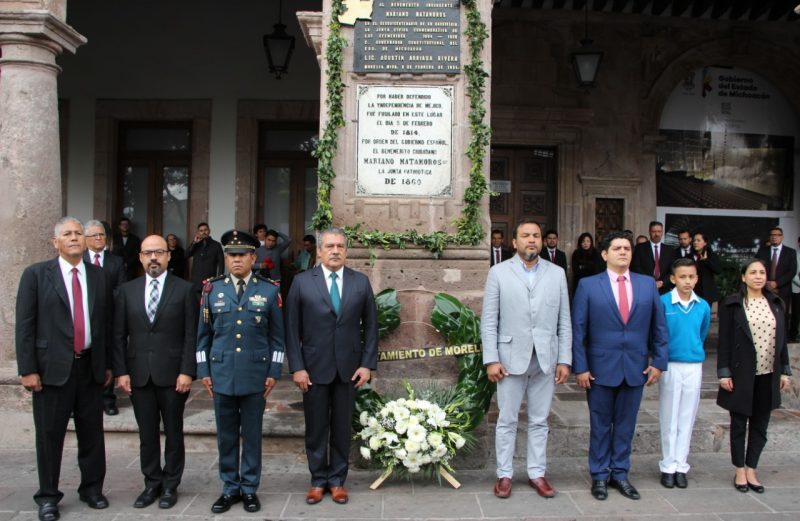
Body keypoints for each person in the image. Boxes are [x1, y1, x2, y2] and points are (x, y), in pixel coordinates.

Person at [16, 217, 112, 521]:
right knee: (49, 435)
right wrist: (28, 369)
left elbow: (106, 325)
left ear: (86, 240)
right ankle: (47, 497)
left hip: (90, 367)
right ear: (55, 242)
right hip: (51, 371)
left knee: (92, 434)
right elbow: (25, 326)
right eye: (67, 234)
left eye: (78, 233)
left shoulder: (100, 276)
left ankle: (92, 489)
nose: (74, 238)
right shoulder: (35, 275)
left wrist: (108, 363)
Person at [571, 231, 669, 501]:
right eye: (617, 248)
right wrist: (580, 367)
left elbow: (659, 327)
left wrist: (658, 362)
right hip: (600, 368)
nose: (623, 252)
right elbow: (578, 330)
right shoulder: (589, 285)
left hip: (636, 367)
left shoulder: (647, 284)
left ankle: (621, 474)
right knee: (600, 424)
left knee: (626, 425)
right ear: (605, 254)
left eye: (627, 248)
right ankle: (600, 476)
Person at [285, 227, 378, 506]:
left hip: (349, 369)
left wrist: (367, 364)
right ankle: (317, 480)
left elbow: (371, 327)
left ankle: (337, 480)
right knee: (315, 428)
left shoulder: (360, 282)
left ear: (346, 251)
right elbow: (291, 328)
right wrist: (297, 367)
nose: (335, 251)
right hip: (313, 368)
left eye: (340, 246)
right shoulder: (302, 282)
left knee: (341, 427)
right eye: (330, 246)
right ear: (320, 251)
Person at [481, 219, 571, 499]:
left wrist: (564, 359)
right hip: (509, 360)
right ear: (514, 242)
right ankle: (505, 474)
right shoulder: (498, 273)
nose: (531, 240)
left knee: (539, 420)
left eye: (536, 236)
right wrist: (491, 359)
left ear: (542, 241)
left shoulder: (556, 274)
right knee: (507, 420)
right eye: (525, 236)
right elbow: (489, 321)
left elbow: (564, 321)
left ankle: (536, 473)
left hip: (545, 359)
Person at [196, 230, 284, 514]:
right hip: (221, 374)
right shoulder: (212, 289)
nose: (236, 260)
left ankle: (249, 489)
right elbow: (203, 336)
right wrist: (203, 371)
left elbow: (277, 338)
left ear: (252, 257)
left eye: (242, 255)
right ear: (225, 258)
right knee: (226, 435)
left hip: (255, 374)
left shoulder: (269, 290)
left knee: (253, 435)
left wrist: (274, 371)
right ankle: (229, 487)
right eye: (231, 255)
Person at [112, 235, 198, 509]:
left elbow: (190, 335)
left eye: (159, 252)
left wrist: (187, 371)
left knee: (173, 431)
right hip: (138, 375)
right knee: (146, 434)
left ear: (168, 256)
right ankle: (151, 483)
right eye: (148, 253)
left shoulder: (184, 289)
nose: (153, 258)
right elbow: (118, 335)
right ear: (139, 256)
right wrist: (121, 372)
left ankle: (171, 485)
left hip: (173, 375)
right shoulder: (127, 291)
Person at [717, 258, 792, 493]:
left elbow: (782, 341)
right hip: (741, 374)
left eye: (762, 272)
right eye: (753, 272)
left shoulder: (777, 303)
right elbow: (724, 342)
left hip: (768, 374)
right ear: (743, 277)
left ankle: (752, 469)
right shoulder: (733, 305)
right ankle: (739, 470)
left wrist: (785, 371)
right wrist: (723, 371)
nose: (758, 276)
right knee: (739, 423)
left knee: (760, 425)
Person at [658, 258, 711, 489]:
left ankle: (681, 464)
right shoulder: (663, 303)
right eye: (682, 277)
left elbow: (702, 332)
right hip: (670, 364)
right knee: (669, 416)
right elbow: (658, 335)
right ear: (673, 279)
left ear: (697, 278)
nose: (687, 281)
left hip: (693, 365)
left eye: (691, 277)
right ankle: (668, 465)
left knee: (687, 417)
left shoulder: (703, 306)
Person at [84, 219, 127, 416]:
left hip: (108, 316)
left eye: (102, 234)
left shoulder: (115, 261)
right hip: (84, 317)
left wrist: (103, 300)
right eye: (95, 235)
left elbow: (121, 289)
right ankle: (81, 401)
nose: (99, 238)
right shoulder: (80, 259)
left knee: (106, 359)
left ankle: (108, 399)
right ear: (86, 239)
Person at [756, 227, 797, 314]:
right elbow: (755, 268)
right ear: (769, 237)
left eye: (777, 235)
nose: (774, 237)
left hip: (783, 291)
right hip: (764, 290)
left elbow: (792, 271)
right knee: (764, 317)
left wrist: (777, 283)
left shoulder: (790, 252)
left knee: (782, 319)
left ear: (782, 237)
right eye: (772, 235)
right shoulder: (762, 251)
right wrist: (765, 283)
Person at [631, 220, 672, 294]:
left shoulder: (669, 250)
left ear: (662, 232)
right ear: (649, 232)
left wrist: (662, 282)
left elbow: (672, 270)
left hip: (664, 289)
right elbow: (636, 267)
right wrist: (649, 281)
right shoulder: (640, 248)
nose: (656, 234)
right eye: (654, 231)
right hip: (644, 287)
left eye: (659, 231)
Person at [187, 222, 224, 294]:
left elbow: (221, 264)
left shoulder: (216, 245)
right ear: (198, 232)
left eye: (205, 230)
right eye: (201, 231)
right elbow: (186, 255)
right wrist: (194, 242)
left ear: (209, 231)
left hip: (210, 281)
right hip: (195, 282)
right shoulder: (196, 244)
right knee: (195, 304)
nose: (203, 232)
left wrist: (219, 280)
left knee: (208, 304)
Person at [691, 232, 721, 309]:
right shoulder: (689, 256)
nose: (695, 242)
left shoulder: (711, 256)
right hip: (692, 291)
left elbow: (718, 270)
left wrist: (706, 260)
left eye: (698, 240)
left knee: (705, 317)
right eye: (694, 240)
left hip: (706, 293)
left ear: (705, 243)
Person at [112, 216, 142, 281]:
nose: (125, 226)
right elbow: (113, 252)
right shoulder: (114, 239)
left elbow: (137, 253)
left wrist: (127, 264)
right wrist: (120, 264)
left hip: (131, 270)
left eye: (126, 224)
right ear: (119, 226)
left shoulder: (135, 239)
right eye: (123, 224)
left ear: (129, 226)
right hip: (117, 268)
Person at [791, 236, 800, 342]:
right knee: (796, 314)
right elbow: (793, 274)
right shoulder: (794, 255)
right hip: (796, 289)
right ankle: (793, 335)